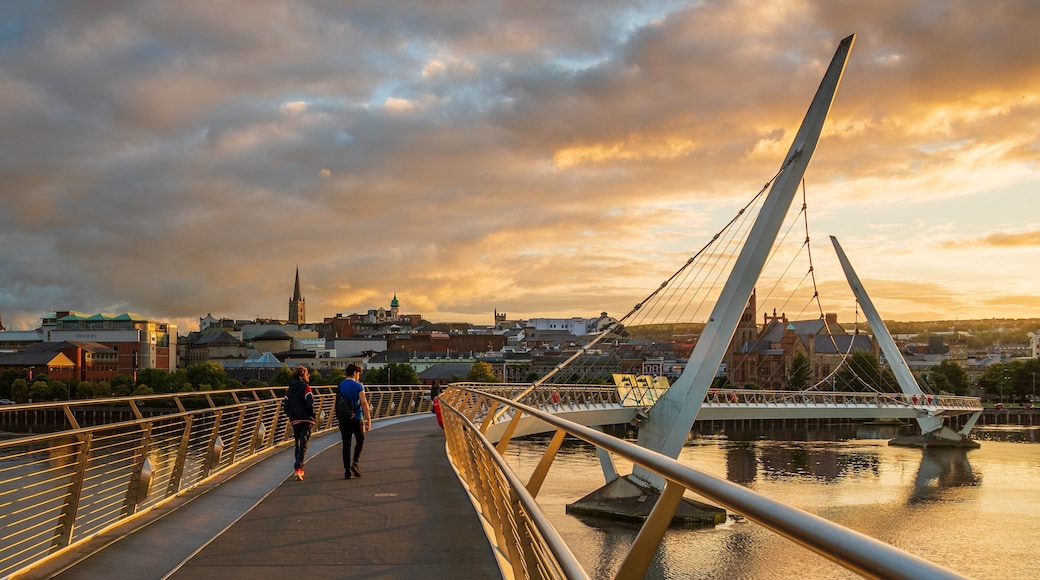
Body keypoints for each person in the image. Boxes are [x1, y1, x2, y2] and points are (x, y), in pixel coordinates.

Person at [337, 363, 372, 479]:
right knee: (360, 440)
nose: (359, 377)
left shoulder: (340, 385)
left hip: (344, 418)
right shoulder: (358, 386)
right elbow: (364, 403)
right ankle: (355, 463)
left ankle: (347, 471)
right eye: (359, 374)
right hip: (356, 417)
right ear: (355, 373)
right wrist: (368, 420)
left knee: (346, 444)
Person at [283, 366, 315, 481]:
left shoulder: (289, 389)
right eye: (307, 374)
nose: (309, 376)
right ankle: (298, 468)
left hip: (294, 420)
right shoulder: (306, 387)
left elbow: (285, 406)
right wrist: (313, 414)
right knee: (304, 445)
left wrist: (291, 415)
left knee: (297, 444)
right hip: (306, 419)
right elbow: (310, 403)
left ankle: (298, 469)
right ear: (301, 377)